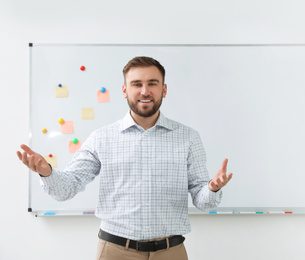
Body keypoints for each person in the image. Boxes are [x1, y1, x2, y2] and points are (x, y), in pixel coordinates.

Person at [17, 56, 233, 260]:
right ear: (125, 90)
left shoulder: (188, 137)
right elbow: (67, 188)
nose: (145, 91)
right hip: (116, 251)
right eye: (136, 84)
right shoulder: (101, 138)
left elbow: (203, 201)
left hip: (171, 252)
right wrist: (47, 172)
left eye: (153, 83)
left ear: (164, 89)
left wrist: (212, 188)